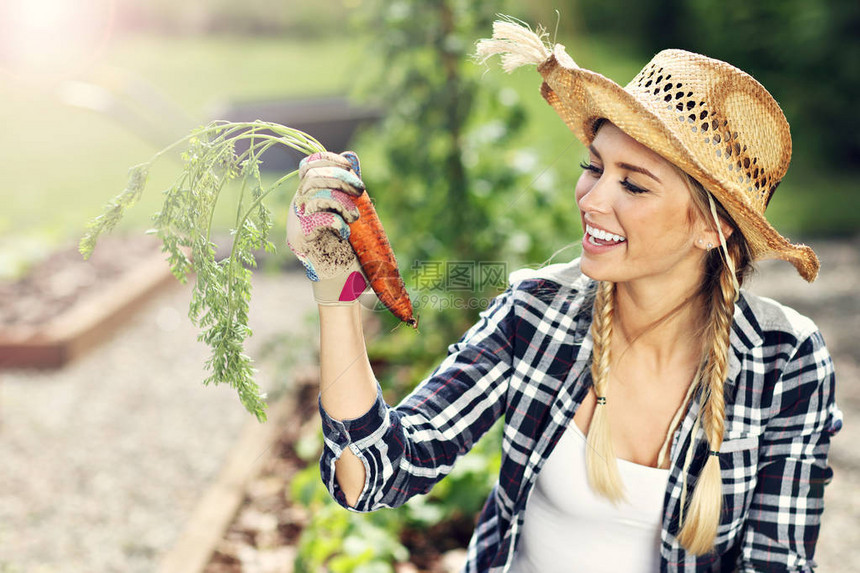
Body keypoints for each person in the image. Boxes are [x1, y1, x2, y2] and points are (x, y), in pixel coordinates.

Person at [286, 18, 842, 573]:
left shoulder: (784, 361)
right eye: (594, 167)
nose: (592, 199)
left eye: (632, 184)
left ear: (711, 228)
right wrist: (337, 293)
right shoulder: (537, 312)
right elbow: (373, 474)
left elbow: (776, 563)